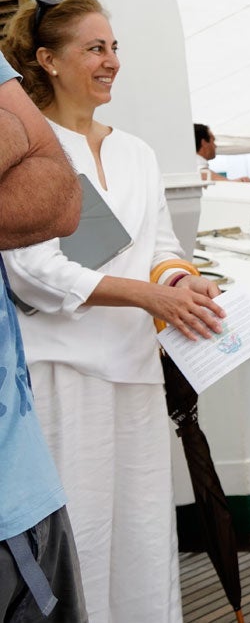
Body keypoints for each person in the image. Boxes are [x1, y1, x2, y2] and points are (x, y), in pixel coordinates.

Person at [1, 0, 227, 623]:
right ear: (47, 60)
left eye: (114, 47)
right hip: (61, 374)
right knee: (82, 539)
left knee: (145, 540)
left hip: (134, 368)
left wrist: (184, 281)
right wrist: (147, 296)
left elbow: (159, 246)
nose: (111, 61)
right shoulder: (29, 148)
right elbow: (32, 267)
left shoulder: (136, 152)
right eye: (94, 48)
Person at [0, 39, 86, 623]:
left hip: (18, 489)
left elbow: (61, 197)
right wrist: (18, 144)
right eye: (94, 47)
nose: (110, 61)